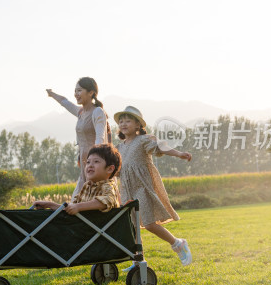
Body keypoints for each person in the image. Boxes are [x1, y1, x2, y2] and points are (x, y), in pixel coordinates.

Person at [114, 105, 193, 266]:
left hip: (142, 187)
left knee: (149, 223)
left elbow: (161, 147)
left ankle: (177, 243)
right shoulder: (119, 147)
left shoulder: (143, 140)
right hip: (126, 189)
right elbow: (115, 168)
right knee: (132, 227)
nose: (123, 124)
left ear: (138, 125)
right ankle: (138, 261)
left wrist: (178, 154)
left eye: (128, 121)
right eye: (121, 121)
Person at [46, 77, 111, 197]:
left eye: (79, 90)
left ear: (91, 92)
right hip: (85, 161)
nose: (76, 94)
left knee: (94, 196)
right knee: (79, 198)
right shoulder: (80, 112)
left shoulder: (97, 112)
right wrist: (52, 94)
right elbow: (64, 102)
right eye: (75, 91)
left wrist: (94, 158)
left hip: (96, 162)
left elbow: (100, 137)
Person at [33, 143, 121, 215]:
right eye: (88, 162)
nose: (90, 165)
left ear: (109, 169)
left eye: (96, 161)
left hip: (98, 232)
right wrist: (49, 205)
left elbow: (106, 201)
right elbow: (71, 208)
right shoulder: (87, 186)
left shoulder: (108, 186)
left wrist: (79, 207)